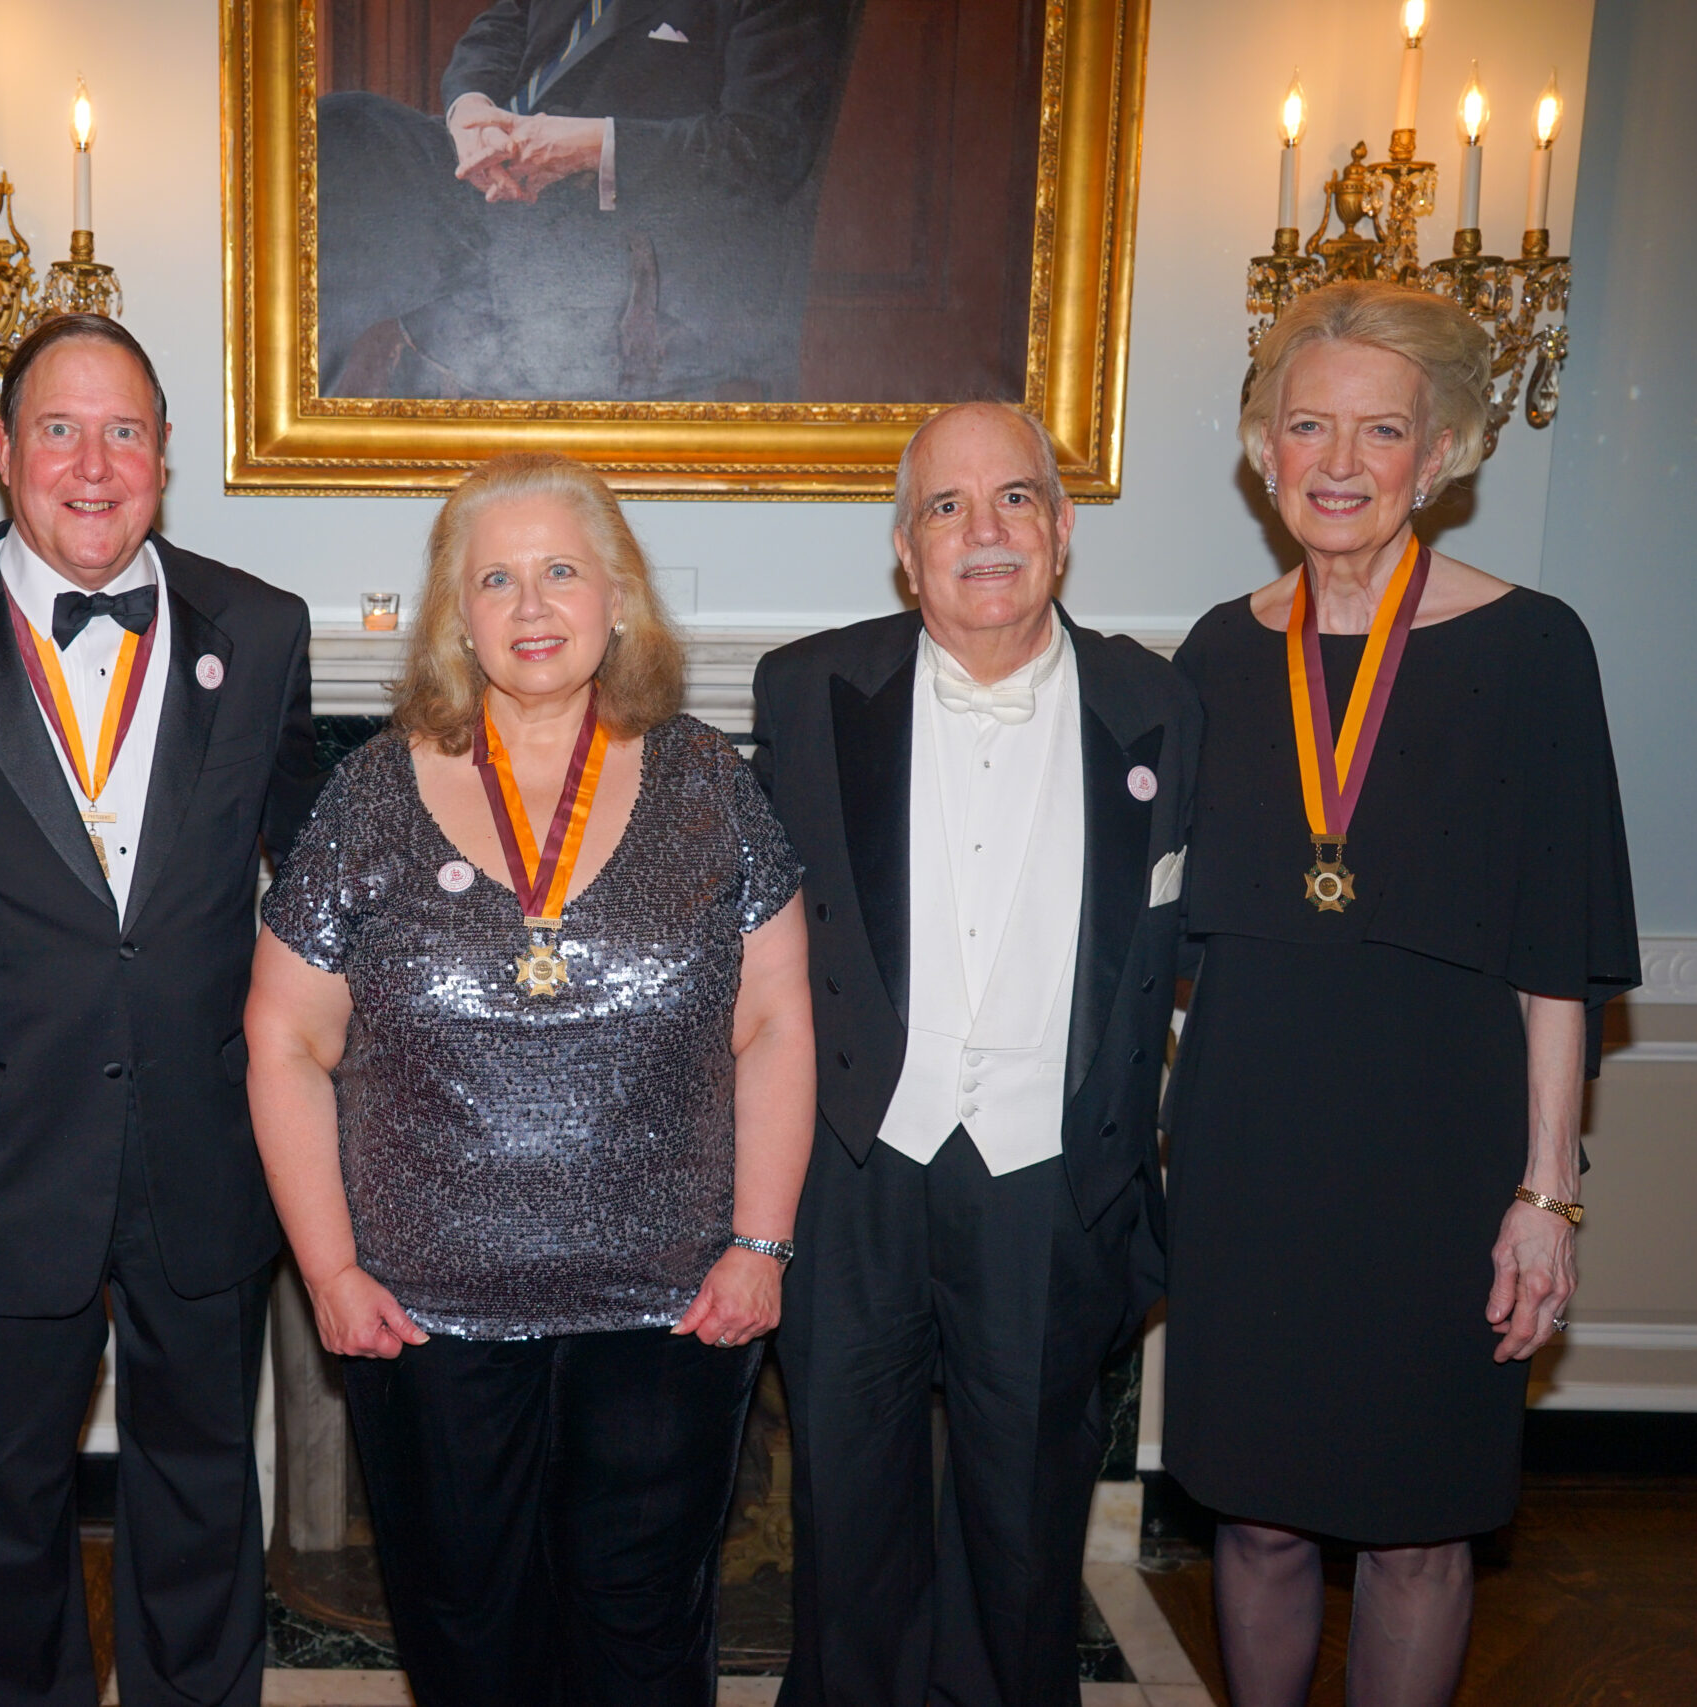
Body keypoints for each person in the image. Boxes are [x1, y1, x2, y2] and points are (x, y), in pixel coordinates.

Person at [246, 452, 815, 1706]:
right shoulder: (371, 793)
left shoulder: (711, 784)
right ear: (457, 615)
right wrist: (330, 1272)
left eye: (561, 569)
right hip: (425, 1321)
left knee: (644, 1642)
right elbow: (283, 1037)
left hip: (670, 1311)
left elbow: (776, 1021)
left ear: (618, 596)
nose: (532, 604)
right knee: (466, 1641)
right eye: (495, 579)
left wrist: (760, 1246)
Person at [1164, 281, 1639, 1707]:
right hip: (1248, 1149)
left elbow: (1557, 951)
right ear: (1262, 448)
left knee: (1422, 1530)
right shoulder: (1215, 653)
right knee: (1252, 1514)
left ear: (1439, 457)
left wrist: (1546, 1191)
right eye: (1307, 424)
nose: (1339, 461)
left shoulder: (1534, 648)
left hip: (1441, 1155)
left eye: (1381, 430)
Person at [0, 313, 322, 1707]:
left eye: (124, 433)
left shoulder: (263, 629)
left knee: (207, 1487)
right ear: (1, 450)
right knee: (4, 1506)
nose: (93, 466)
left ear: (165, 455)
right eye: (60, 430)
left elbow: (316, 885)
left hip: (205, 1138)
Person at [750, 402, 1202, 1707]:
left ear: (1060, 529)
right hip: (854, 1167)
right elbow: (746, 943)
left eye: (1014, 498)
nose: (983, 530)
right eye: (946, 506)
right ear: (906, 549)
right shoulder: (806, 689)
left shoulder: (1160, 703)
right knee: (845, 1511)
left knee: (1025, 1527)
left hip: (1051, 1175)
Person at [316, 0, 848, 401]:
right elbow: (503, 26)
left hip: (620, 217)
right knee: (344, 131)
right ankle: (303, 433)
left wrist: (591, 148)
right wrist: (472, 111)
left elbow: (764, 148)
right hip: (496, 176)